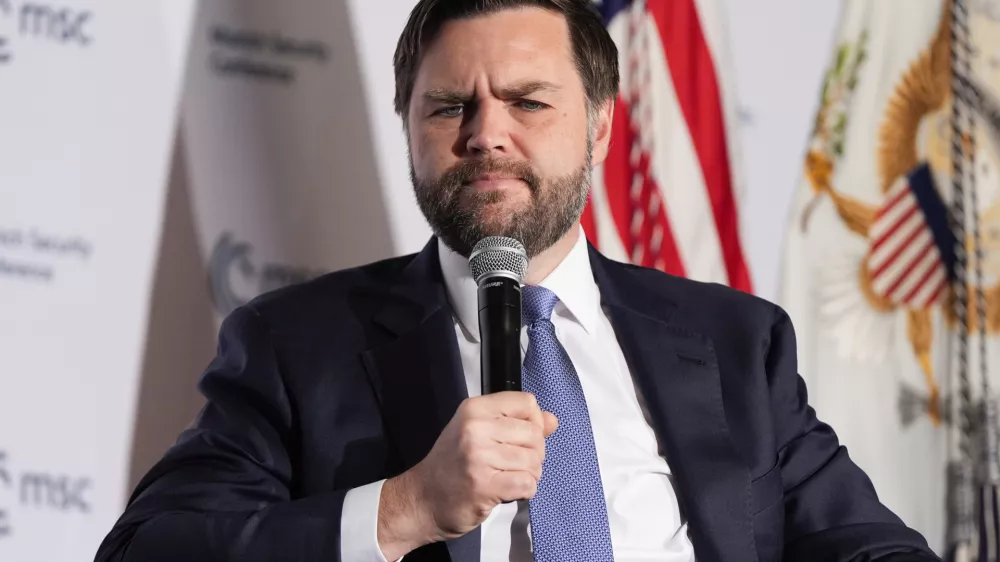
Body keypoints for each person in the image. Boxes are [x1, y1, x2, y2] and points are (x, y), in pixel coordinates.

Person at [95, 1, 940, 561]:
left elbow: (869, 546)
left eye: (529, 103)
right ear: (409, 129)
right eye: (448, 106)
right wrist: (404, 508)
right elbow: (149, 550)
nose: (486, 134)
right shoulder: (296, 345)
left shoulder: (734, 343)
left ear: (601, 128)